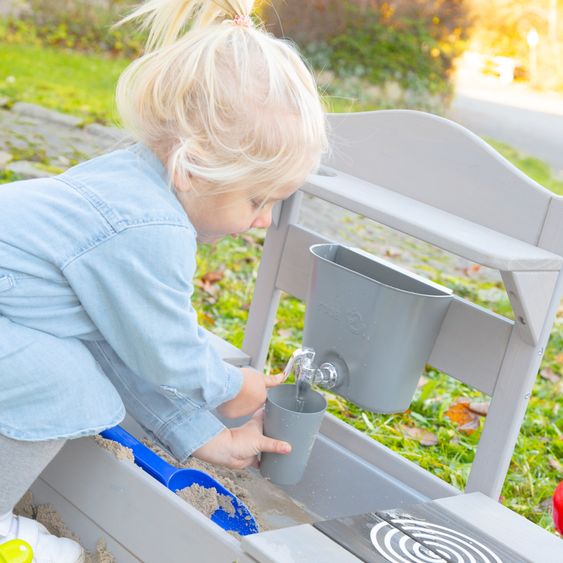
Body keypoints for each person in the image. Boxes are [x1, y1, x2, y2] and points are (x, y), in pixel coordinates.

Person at [0, 0, 328, 560]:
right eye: (257, 198)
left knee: (71, 363)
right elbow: (167, 354)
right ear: (195, 167)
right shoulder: (150, 229)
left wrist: (206, 436)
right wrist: (232, 388)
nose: (264, 220)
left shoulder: (128, 182)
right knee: (64, 381)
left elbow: (122, 348)